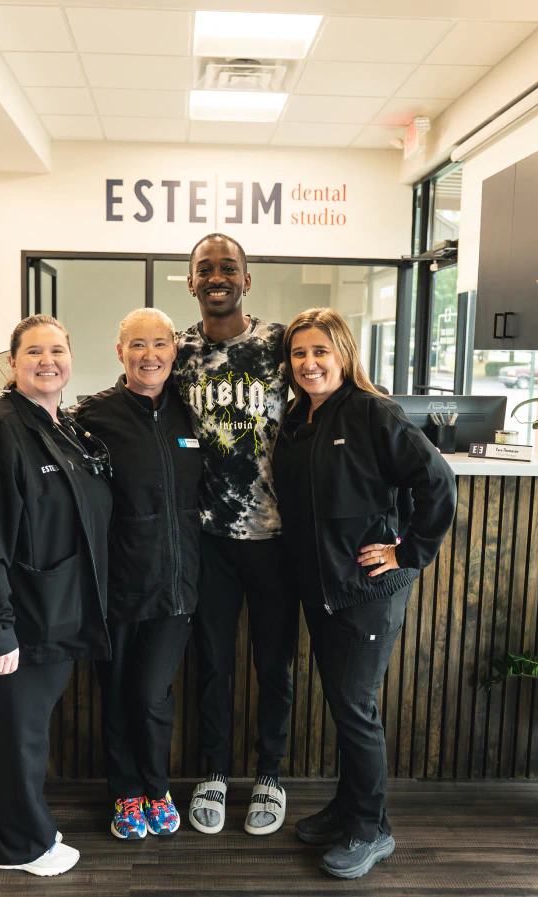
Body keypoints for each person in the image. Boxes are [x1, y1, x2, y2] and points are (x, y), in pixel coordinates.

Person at [272, 307, 456, 880]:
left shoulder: (373, 412)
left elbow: (438, 481)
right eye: (299, 354)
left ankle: (373, 828)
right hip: (322, 590)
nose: (309, 363)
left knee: (355, 707)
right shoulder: (299, 417)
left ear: (345, 354)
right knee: (344, 704)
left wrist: (408, 551)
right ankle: (349, 807)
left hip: (368, 591)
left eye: (320, 351)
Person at [0, 314, 112, 877]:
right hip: (18, 615)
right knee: (22, 736)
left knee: (10, 728)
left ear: (70, 358)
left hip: (50, 607)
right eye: (33, 352)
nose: (47, 361)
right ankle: (24, 845)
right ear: (12, 363)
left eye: (57, 350)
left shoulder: (55, 423)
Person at [172, 232, 296, 836]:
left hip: (277, 538)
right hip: (208, 536)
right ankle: (214, 772)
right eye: (205, 269)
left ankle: (269, 773)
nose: (216, 277)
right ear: (190, 281)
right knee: (215, 664)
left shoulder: (278, 343)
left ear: (246, 280)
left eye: (229, 268)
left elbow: (331, 390)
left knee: (274, 665)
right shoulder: (177, 349)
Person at [74, 308, 202, 840]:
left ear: (175, 350)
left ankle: (157, 786)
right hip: (118, 584)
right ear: (119, 351)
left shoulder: (192, 414)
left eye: (160, 344)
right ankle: (126, 793)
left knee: (151, 693)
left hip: (179, 585)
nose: (150, 354)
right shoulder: (92, 416)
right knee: (120, 691)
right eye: (137, 344)